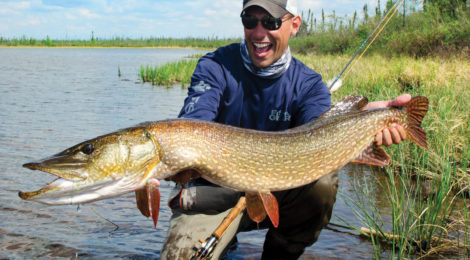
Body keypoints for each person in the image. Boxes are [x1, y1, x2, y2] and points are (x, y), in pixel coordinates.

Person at [160, 0, 409, 259]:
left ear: (295, 25)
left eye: (271, 22)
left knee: (323, 183)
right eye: (250, 20)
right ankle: (225, 241)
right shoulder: (215, 66)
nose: (259, 33)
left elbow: (323, 133)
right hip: (212, 194)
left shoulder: (310, 85)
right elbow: (191, 125)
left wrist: (365, 121)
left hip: (277, 194)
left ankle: (279, 254)